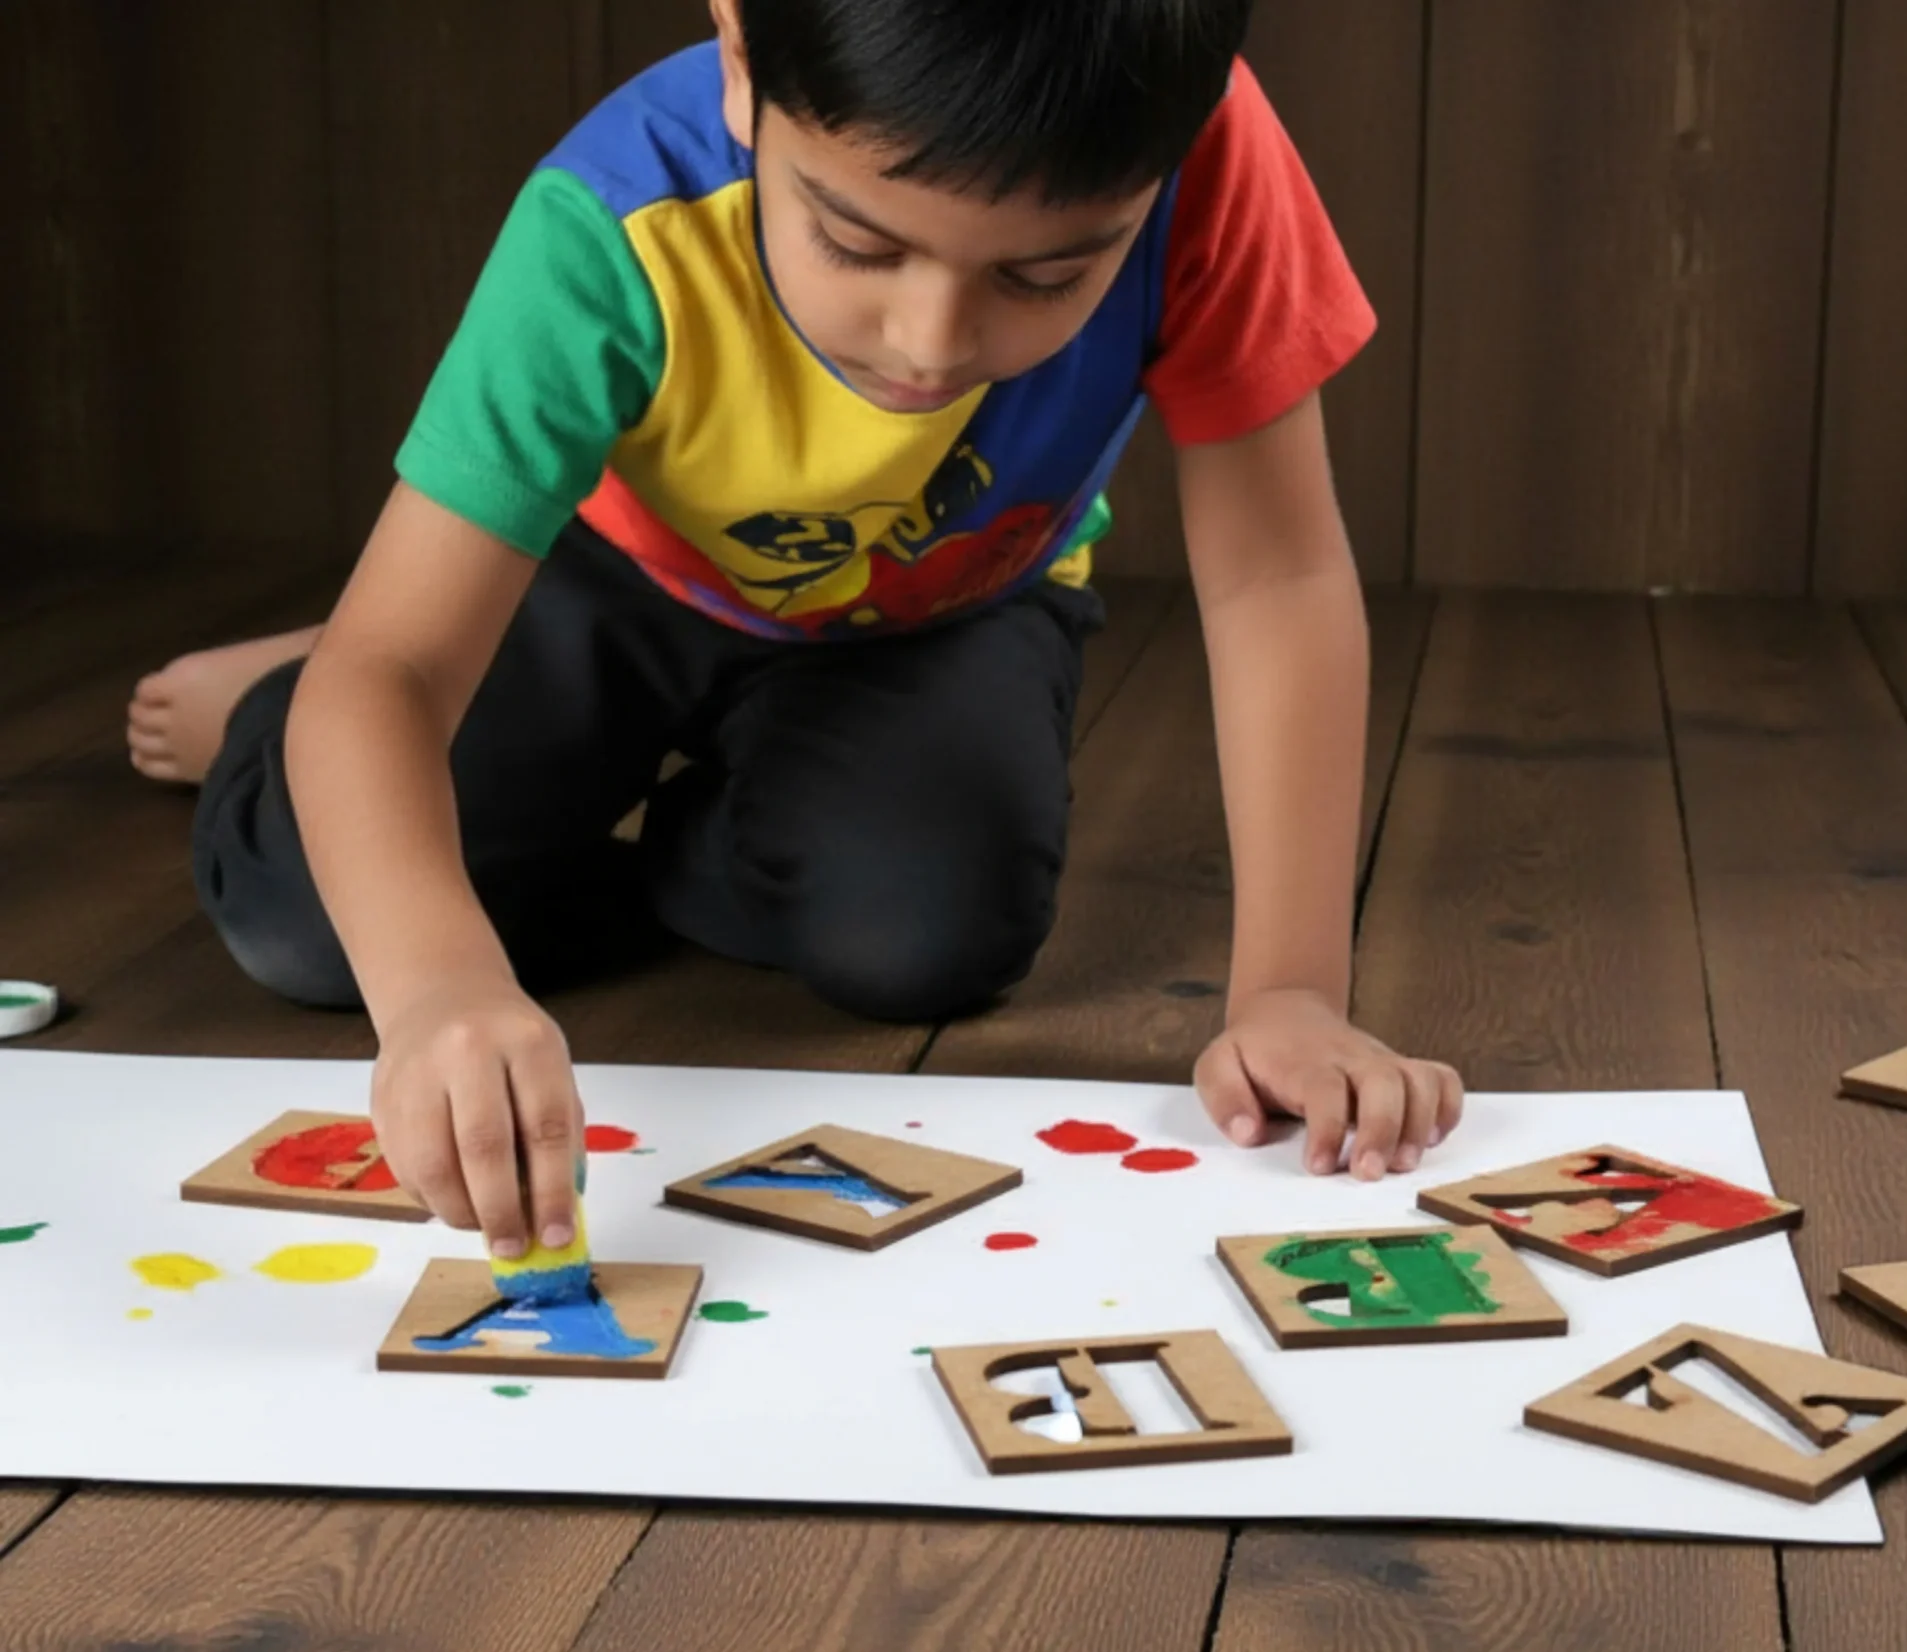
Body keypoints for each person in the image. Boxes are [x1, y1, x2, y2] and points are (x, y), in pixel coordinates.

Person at [128, 0, 1463, 1261]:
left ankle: (695, 796)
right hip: (608, 577)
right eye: (858, 243)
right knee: (311, 925)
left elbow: (1277, 576)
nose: (930, 344)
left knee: (921, 941)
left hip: (943, 607)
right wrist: (436, 990)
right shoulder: (613, 219)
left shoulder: (1200, 148)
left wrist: (1291, 993)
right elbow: (399, 668)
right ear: (742, 54)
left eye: (1048, 273)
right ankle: (288, 693)